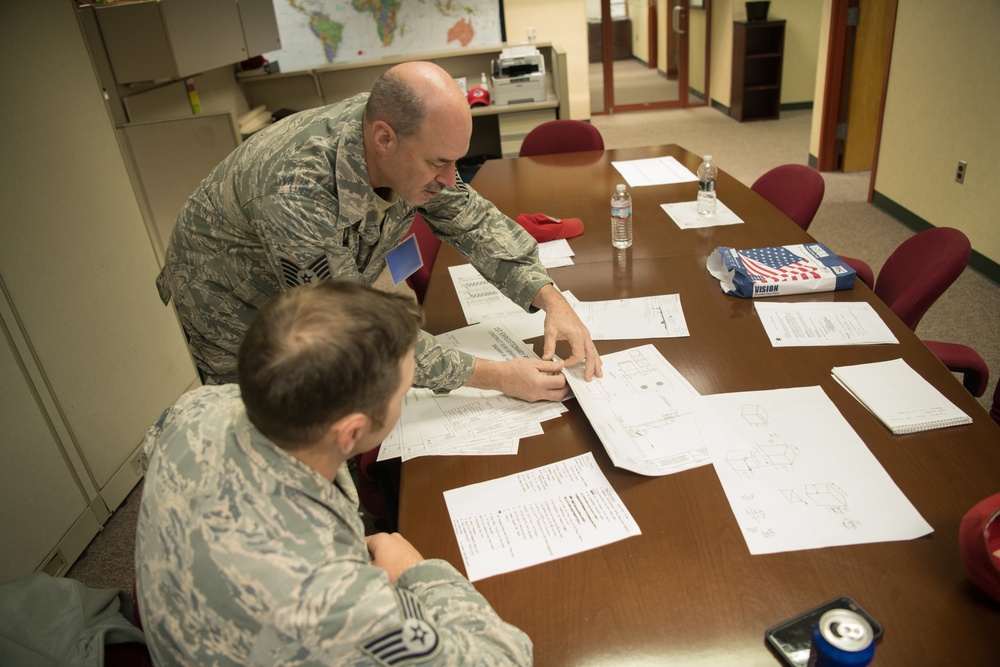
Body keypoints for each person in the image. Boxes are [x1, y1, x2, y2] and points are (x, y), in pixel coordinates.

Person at [135, 280, 532, 666]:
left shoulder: (197, 406)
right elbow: (505, 659)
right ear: (352, 432)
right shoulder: (330, 600)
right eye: (405, 390)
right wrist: (415, 572)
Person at [157, 60, 601, 402]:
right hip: (232, 303)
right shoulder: (295, 193)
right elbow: (355, 329)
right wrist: (498, 377)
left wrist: (551, 300)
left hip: (317, 276)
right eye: (437, 163)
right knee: (282, 422)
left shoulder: (402, 138)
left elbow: (471, 217)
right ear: (384, 139)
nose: (450, 178)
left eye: (455, 161)